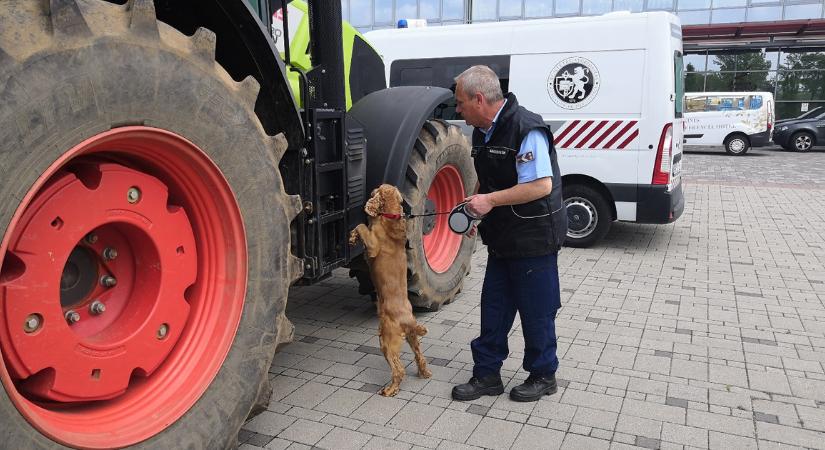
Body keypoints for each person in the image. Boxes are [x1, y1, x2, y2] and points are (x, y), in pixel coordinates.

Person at [450, 65, 567, 403]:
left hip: (534, 238)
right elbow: (486, 179)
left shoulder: (526, 128)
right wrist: (473, 206)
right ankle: (487, 375)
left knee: (537, 310)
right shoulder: (482, 131)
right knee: (495, 308)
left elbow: (540, 185)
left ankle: (544, 375)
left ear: (479, 99)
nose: (457, 110)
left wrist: (489, 201)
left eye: (460, 103)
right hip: (503, 237)